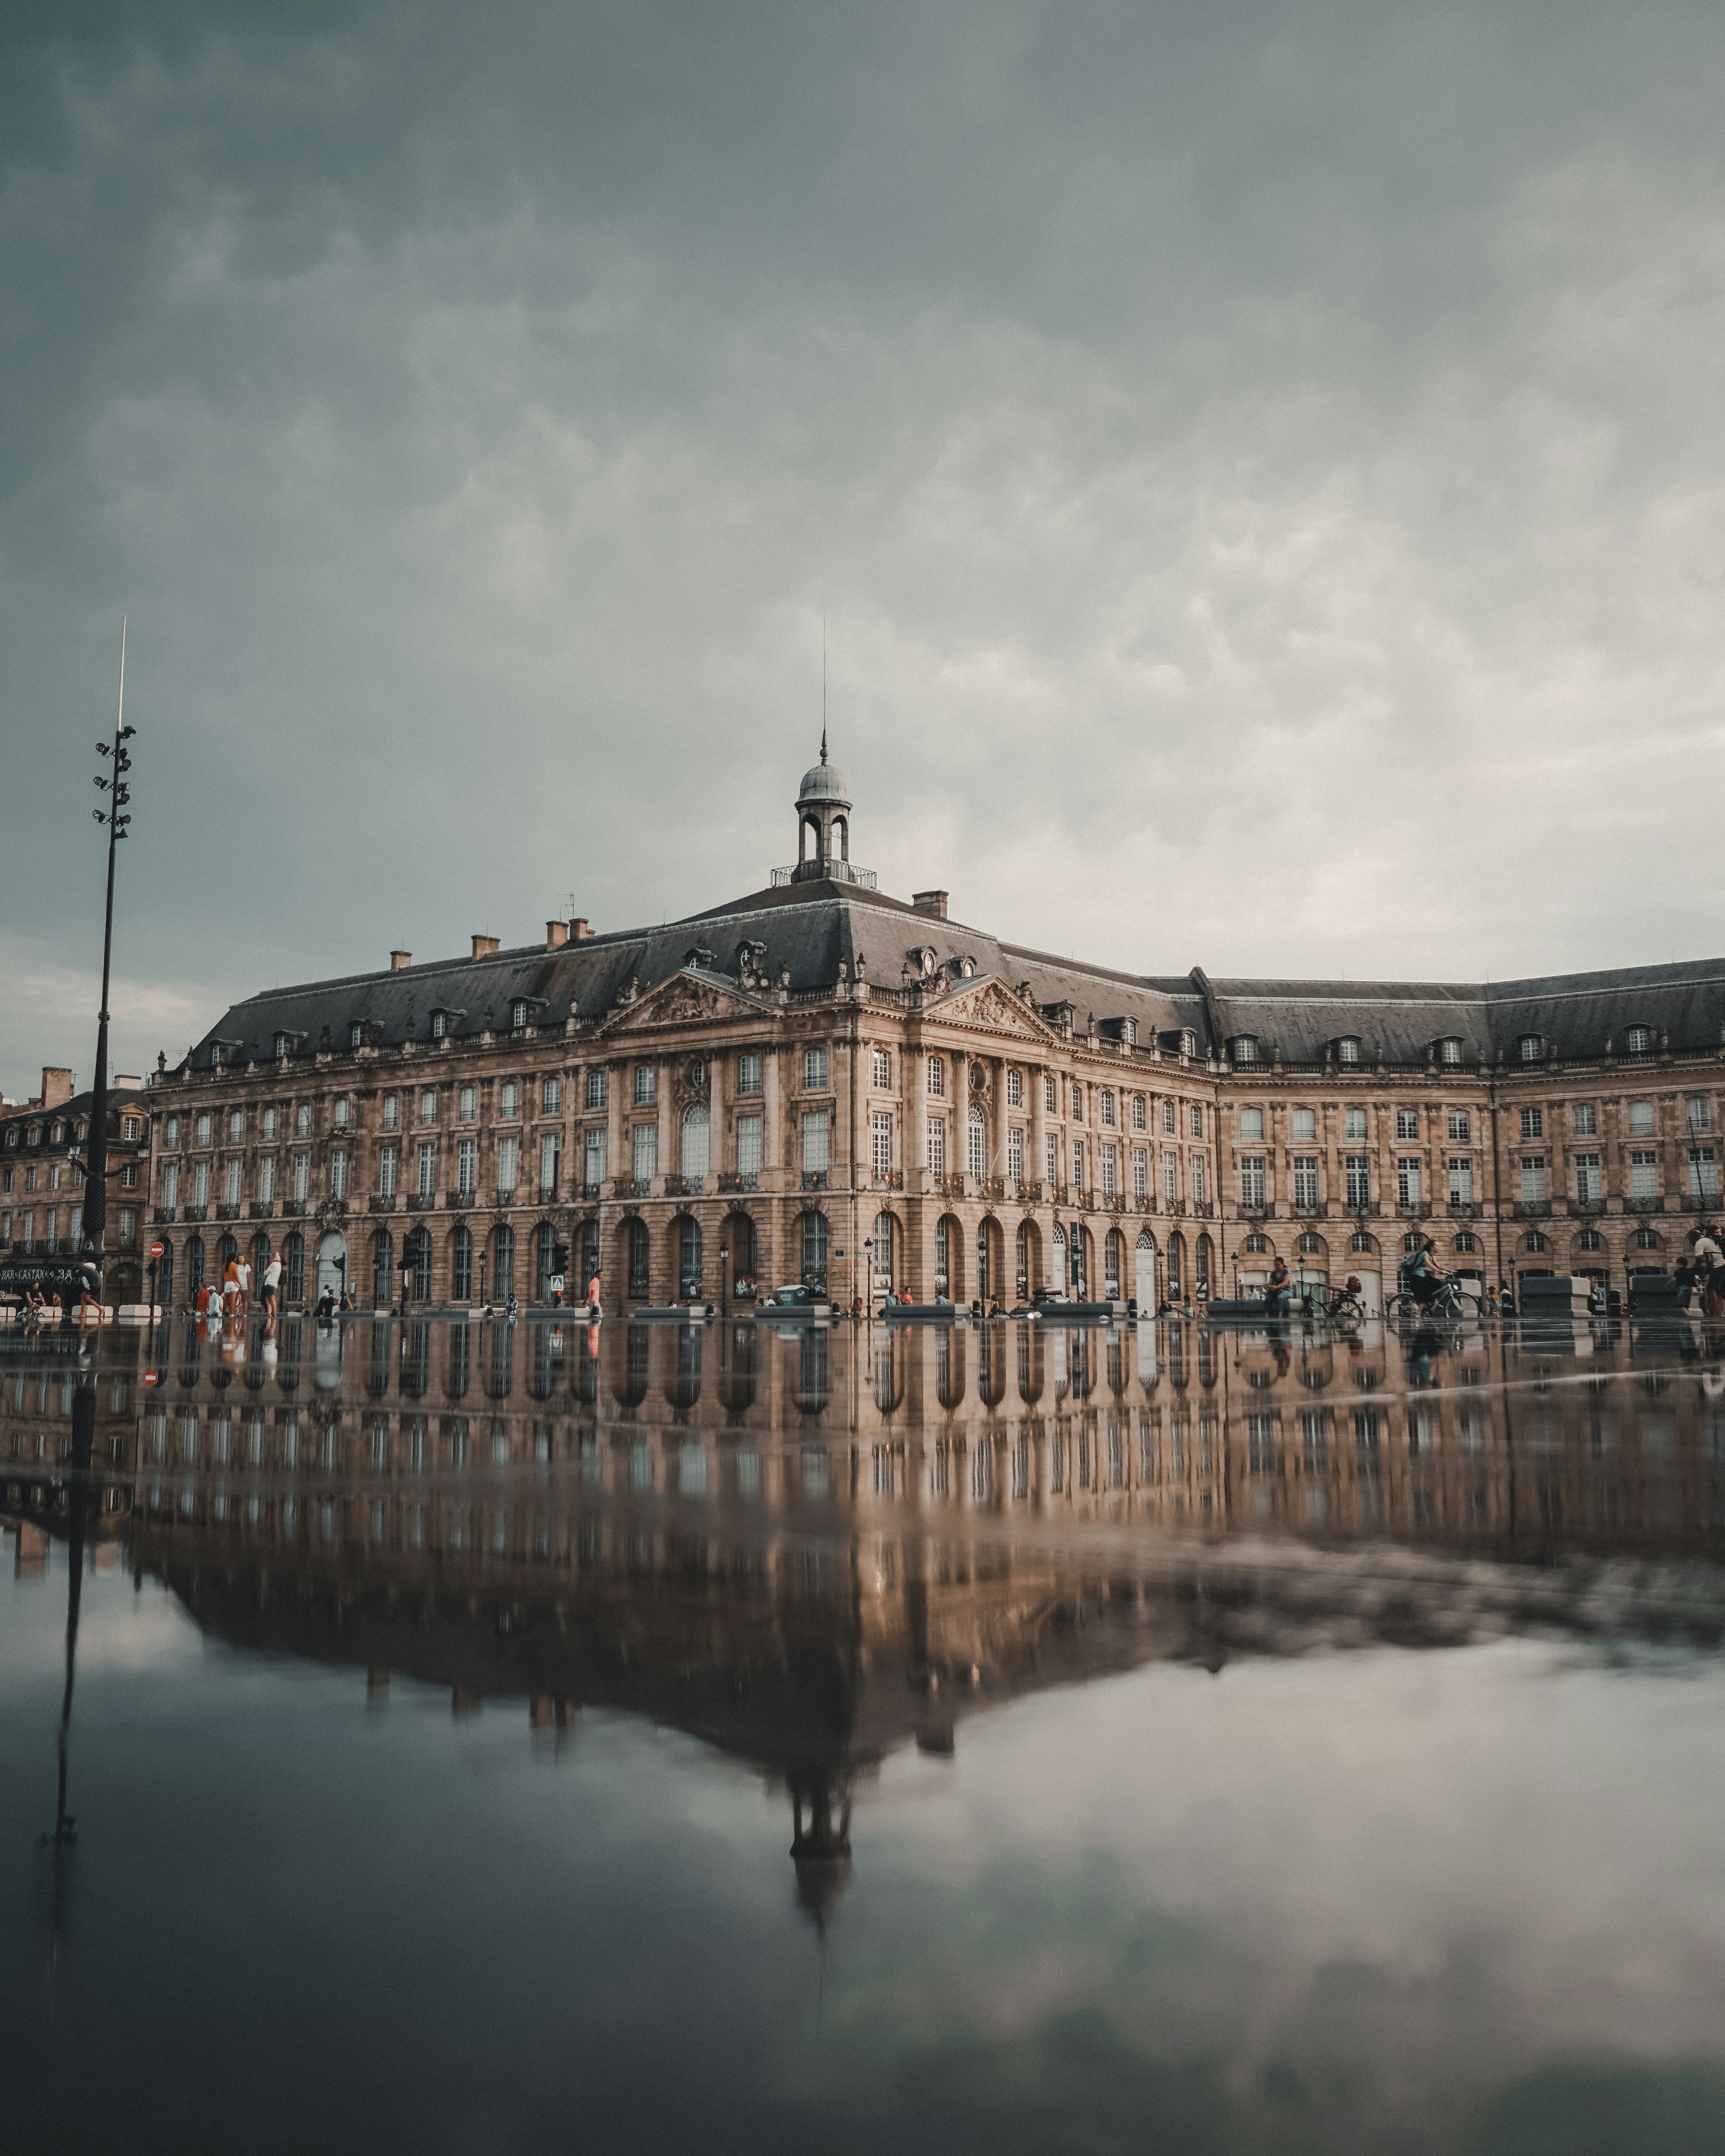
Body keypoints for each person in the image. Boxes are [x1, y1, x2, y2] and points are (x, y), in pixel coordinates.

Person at [262, 1250, 282, 1316]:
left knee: (272, 1298)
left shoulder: (273, 1264)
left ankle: (274, 1313)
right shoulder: (279, 1264)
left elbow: (266, 1272)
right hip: (274, 1283)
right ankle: (269, 1313)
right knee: (268, 1298)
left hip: (270, 1283)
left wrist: (265, 1272)